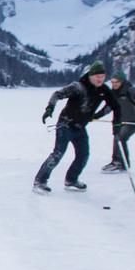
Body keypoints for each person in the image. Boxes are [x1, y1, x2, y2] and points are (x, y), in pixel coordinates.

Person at [33, 61, 112, 193]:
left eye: (102, 76)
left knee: (83, 155)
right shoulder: (78, 87)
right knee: (58, 153)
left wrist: (96, 116)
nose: (100, 79)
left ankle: (71, 180)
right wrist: (50, 108)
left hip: (80, 127)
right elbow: (57, 94)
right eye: (97, 76)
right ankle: (39, 181)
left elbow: (110, 106)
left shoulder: (103, 91)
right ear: (91, 75)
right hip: (65, 124)